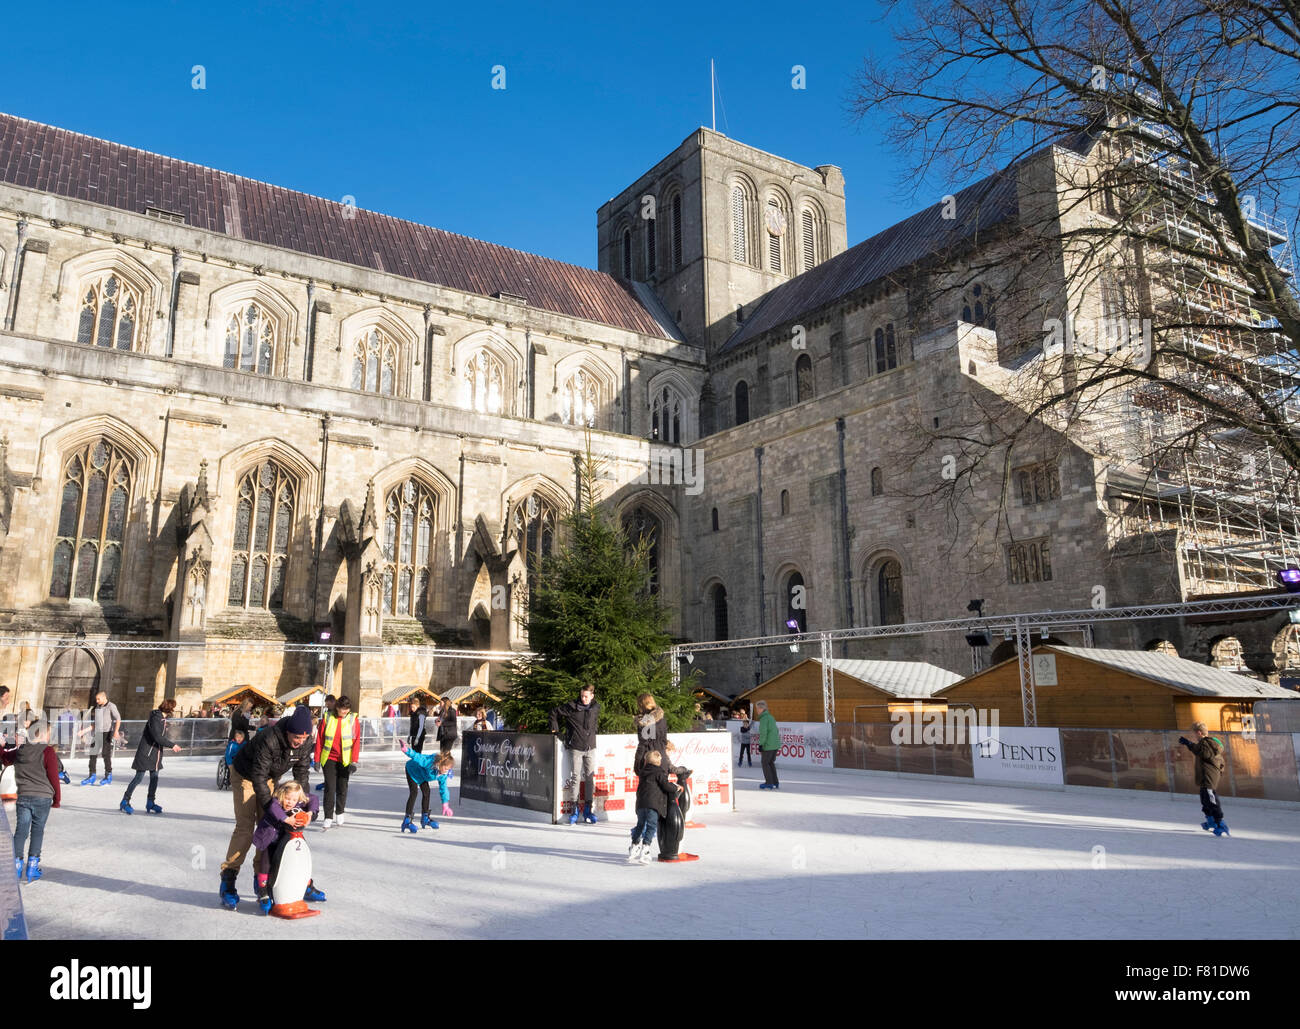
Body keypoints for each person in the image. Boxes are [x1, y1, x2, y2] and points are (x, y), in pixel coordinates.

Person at [219, 704, 319, 910]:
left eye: (304, 738)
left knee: (270, 827)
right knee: (246, 828)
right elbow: (257, 777)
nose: (299, 742)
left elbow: (302, 775)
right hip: (245, 774)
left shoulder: (306, 742)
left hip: (271, 777)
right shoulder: (270, 738)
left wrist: (304, 807)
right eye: (296, 738)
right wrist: (278, 813)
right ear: (288, 731)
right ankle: (228, 880)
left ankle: (261, 878)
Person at [250, 780, 321, 914]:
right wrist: (286, 819)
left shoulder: (298, 801)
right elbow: (274, 809)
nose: (290, 802)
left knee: (298, 862)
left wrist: (310, 813)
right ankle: (263, 892)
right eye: (287, 798)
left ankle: (305, 885)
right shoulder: (276, 802)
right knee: (266, 864)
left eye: (294, 799)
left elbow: (314, 798)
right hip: (269, 840)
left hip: (287, 839)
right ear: (282, 795)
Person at [2, 719, 60, 882]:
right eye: (48, 733)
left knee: (21, 831)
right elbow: (54, 778)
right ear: (41, 733)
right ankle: (32, 868)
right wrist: (57, 798)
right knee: (37, 830)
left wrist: (1, 745)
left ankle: (16, 866)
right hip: (43, 798)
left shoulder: (21, 750)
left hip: (24, 797)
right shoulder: (47, 751)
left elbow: (5, 759)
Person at [119, 699, 182, 814]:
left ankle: (150, 802)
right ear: (170, 709)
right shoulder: (156, 718)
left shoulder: (162, 719)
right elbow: (157, 737)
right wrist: (172, 745)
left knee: (154, 778)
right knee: (138, 778)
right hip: (146, 752)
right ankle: (125, 801)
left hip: (155, 754)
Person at [550, 684, 601, 825]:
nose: (583, 698)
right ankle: (574, 810)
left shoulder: (595, 708)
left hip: (590, 747)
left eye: (586, 696)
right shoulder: (572, 707)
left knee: (590, 778)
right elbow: (554, 712)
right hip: (576, 747)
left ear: (592, 696)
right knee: (575, 777)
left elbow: (593, 723)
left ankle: (588, 810)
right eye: (582, 695)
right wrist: (556, 731)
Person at [313, 694, 360, 829]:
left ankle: (340, 812)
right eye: (341, 709)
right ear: (337, 707)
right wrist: (316, 759)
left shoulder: (353, 720)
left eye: (346, 709)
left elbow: (356, 741)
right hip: (329, 758)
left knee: (342, 787)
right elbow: (320, 740)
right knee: (329, 788)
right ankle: (328, 816)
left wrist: (354, 761)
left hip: (345, 760)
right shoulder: (328, 718)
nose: (344, 712)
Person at [628, 750, 682, 864]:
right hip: (653, 805)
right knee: (652, 826)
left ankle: (634, 845)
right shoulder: (659, 772)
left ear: (647, 761)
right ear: (658, 762)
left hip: (641, 804)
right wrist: (675, 787)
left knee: (640, 825)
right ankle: (646, 848)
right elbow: (665, 786)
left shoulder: (642, 772)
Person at [1179, 722, 1229, 836]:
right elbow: (1200, 751)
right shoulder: (1204, 743)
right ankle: (1211, 821)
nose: (1194, 736)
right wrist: (1190, 744)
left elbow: (1204, 754)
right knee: (1204, 798)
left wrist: (1189, 743)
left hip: (1209, 776)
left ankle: (1221, 823)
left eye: (1194, 734)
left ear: (1199, 733)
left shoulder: (1206, 742)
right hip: (1205, 776)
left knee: (1212, 799)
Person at [397, 739, 454, 832]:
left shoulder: (443, 775)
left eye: (448, 769)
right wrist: (406, 750)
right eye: (445, 768)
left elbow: (444, 789)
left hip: (422, 776)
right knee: (414, 792)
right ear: (440, 764)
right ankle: (407, 820)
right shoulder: (429, 762)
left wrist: (445, 804)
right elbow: (417, 756)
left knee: (427, 792)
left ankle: (425, 818)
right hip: (412, 770)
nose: (446, 771)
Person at [77, 690, 122, 786]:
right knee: (92, 754)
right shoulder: (98, 707)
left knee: (106, 754)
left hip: (107, 733)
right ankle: (92, 776)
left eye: (98, 699)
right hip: (97, 733)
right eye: (96, 699)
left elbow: (118, 718)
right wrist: (83, 731)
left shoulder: (111, 706)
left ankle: (108, 775)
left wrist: (116, 731)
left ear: (104, 697)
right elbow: (95, 724)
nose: (96, 701)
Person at [633, 692, 677, 775]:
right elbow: (662, 739)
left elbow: (644, 743)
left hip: (650, 759)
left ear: (641, 704)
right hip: (661, 757)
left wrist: (637, 763)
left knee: (649, 786)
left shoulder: (646, 721)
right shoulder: (661, 718)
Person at [756, 700, 780, 790]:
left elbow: (763, 733)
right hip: (775, 744)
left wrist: (761, 744)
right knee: (770, 762)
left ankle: (769, 783)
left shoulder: (764, 719)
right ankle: (775, 782)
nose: (757, 710)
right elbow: (776, 730)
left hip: (768, 745)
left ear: (762, 708)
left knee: (765, 763)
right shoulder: (771, 717)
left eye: (757, 708)